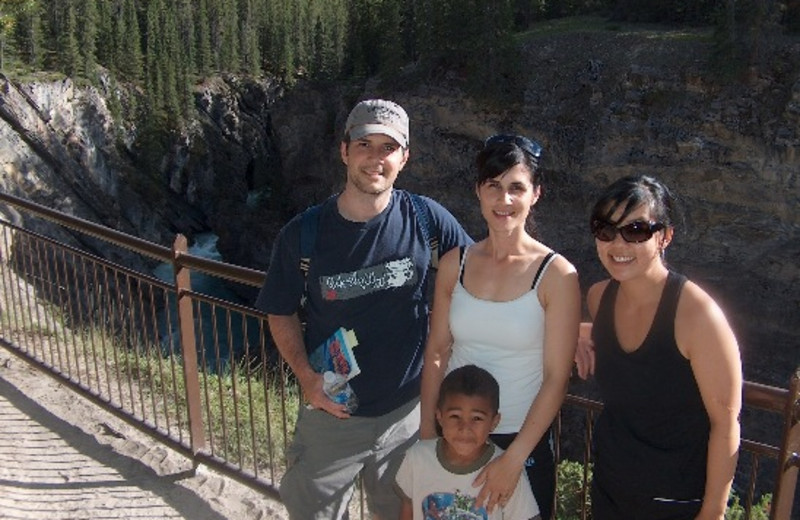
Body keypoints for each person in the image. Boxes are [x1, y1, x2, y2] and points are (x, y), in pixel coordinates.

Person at [254, 99, 473, 519]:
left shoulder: (427, 220)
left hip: (407, 418)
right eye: (364, 144)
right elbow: (279, 310)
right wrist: (306, 377)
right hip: (330, 415)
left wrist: (561, 308)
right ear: (344, 151)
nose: (376, 159)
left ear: (404, 158)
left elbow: (483, 272)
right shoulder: (303, 234)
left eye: (388, 148)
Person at [419, 134, 581, 519]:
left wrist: (514, 458)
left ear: (535, 194)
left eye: (516, 188)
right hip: (454, 432)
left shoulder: (556, 275)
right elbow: (438, 350)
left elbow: (557, 377)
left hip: (520, 441)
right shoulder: (453, 263)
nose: (503, 200)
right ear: (479, 191)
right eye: (493, 186)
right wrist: (428, 436)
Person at [573, 174, 742, 520]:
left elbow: (726, 424)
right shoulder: (599, 297)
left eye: (636, 231)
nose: (618, 245)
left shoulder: (698, 316)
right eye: (605, 230)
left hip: (676, 501)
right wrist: (576, 332)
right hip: (610, 490)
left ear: (664, 236)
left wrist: (713, 512)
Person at [396, 364, 541, 520]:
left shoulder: (506, 472)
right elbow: (407, 507)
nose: (465, 428)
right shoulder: (416, 458)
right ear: (439, 416)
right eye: (455, 416)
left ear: (494, 422)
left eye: (477, 418)